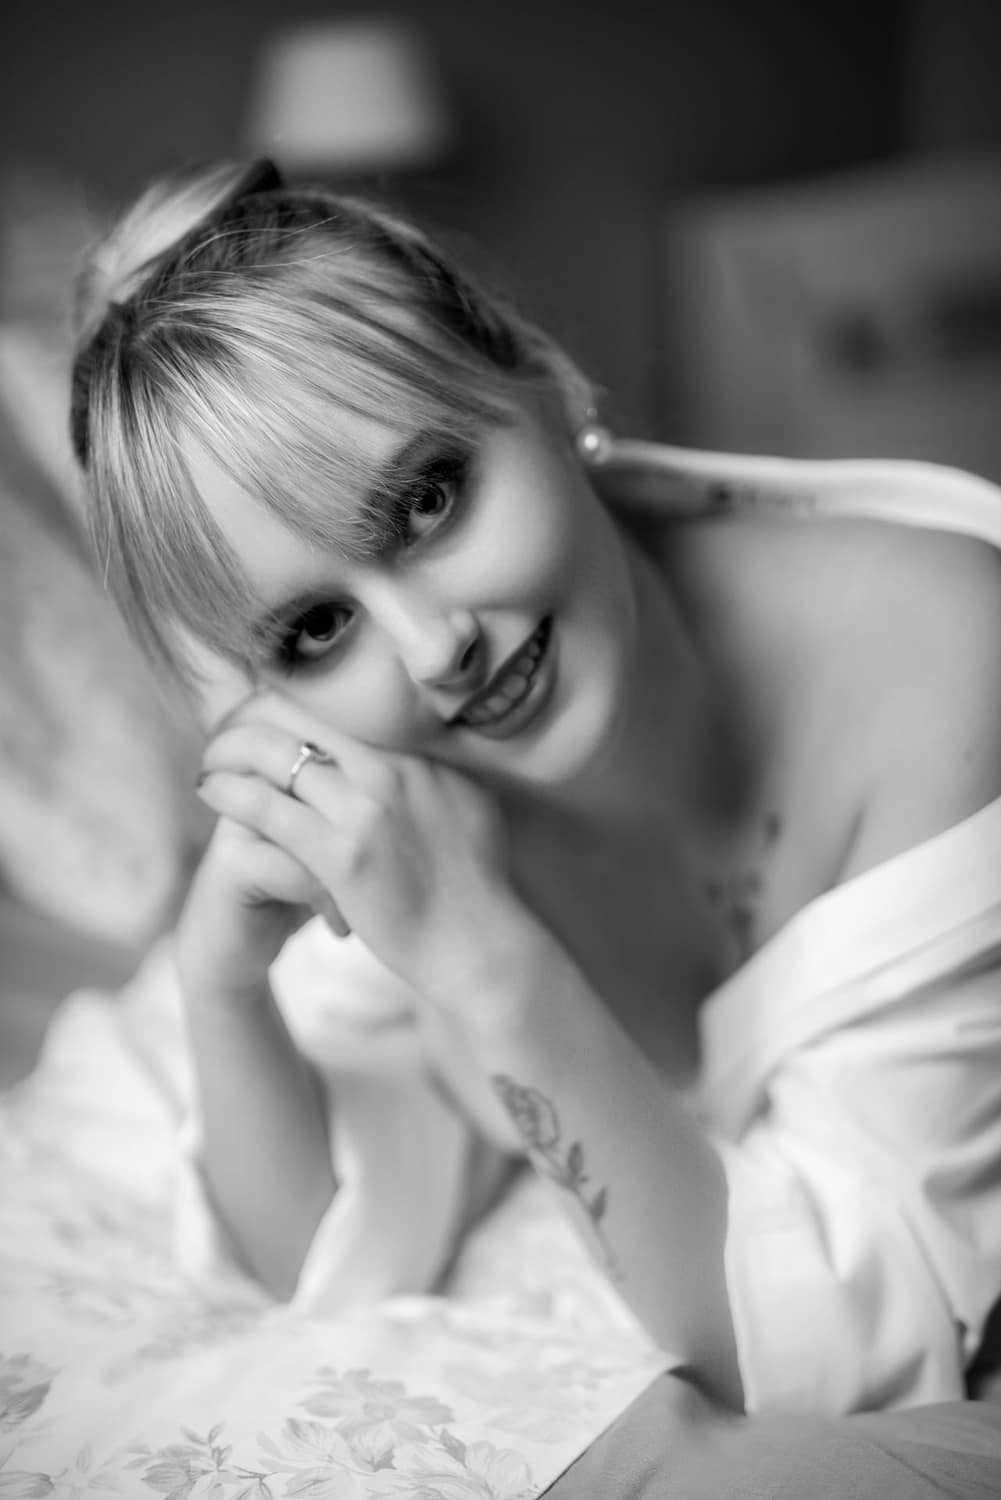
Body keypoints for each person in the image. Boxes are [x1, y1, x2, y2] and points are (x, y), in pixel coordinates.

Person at [69, 157, 1001, 1421]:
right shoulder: (401, 776)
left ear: (542, 384)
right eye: (315, 629)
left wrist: (487, 967)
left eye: (427, 501)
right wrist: (221, 985)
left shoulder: (945, 664)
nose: (431, 651)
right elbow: (322, 1249)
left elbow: (838, 1353)